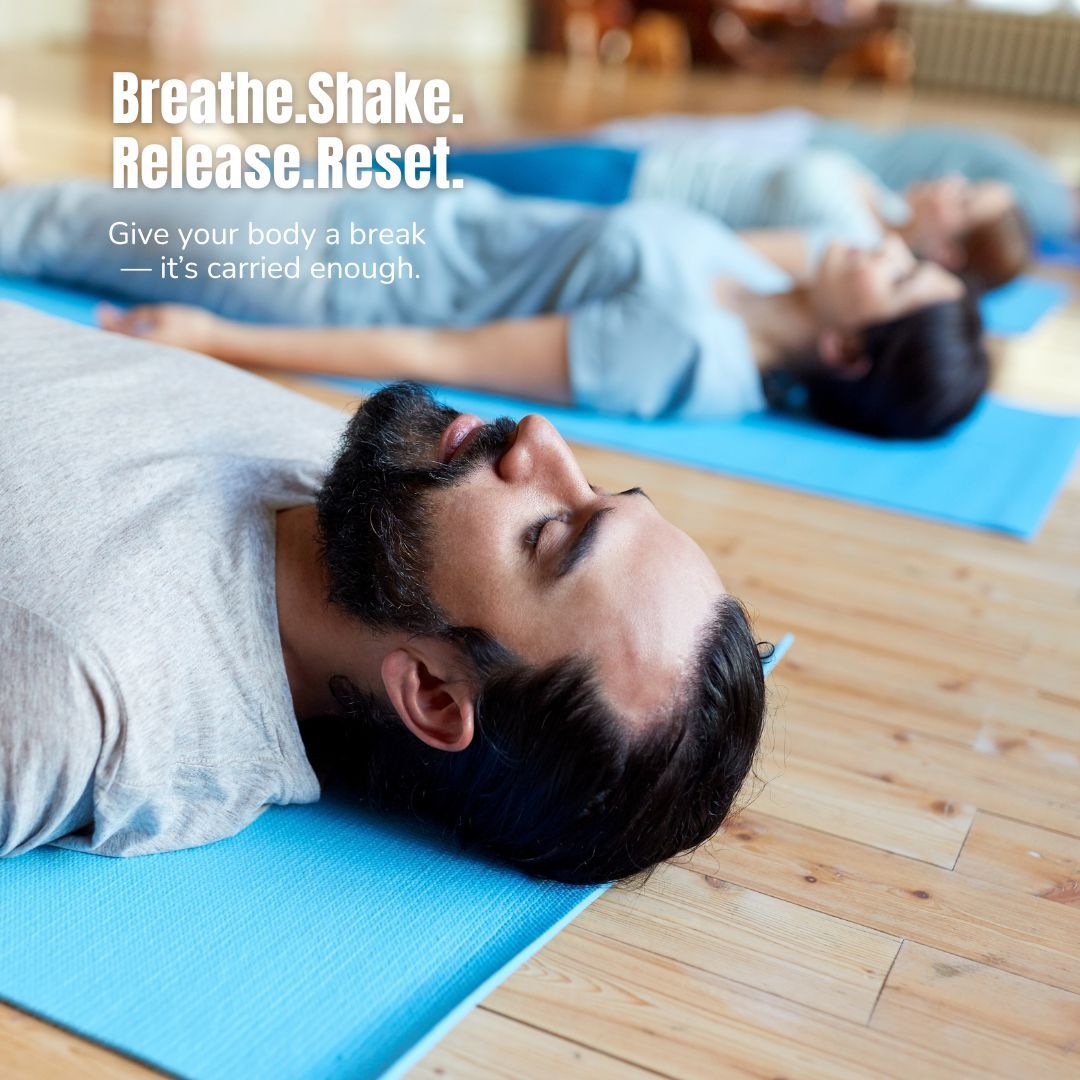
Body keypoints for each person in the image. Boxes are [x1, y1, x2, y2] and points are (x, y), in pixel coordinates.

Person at [0, 302, 769, 885]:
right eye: (599, 490)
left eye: (549, 530)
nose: (541, 439)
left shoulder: (70, 703)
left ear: (434, 693)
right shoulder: (388, 492)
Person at [0, 177, 988, 439]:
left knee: (52, 220)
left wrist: (221, 338)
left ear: (848, 353)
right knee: (58, 209)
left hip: (332, 265)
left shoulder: (682, 353)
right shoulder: (773, 280)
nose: (891, 251)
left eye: (901, 277)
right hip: (387, 212)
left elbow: (446, 350)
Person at [448, 135, 1029, 290]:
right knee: (466, 162)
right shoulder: (892, 206)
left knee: (460, 178)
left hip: (623, 196)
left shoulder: (849, 243)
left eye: (965, 200)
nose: (953, 182)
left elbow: (721, 255)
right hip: (647, 162)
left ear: (951, 251)